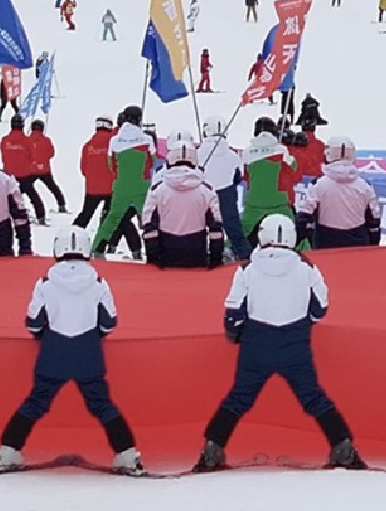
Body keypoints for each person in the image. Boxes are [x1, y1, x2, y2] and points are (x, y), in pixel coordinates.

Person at [197, 215, 363, 471]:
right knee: (314, 398)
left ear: (262, 236)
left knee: (238, 399)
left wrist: (235, 334)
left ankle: (212, 449)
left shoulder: (247, 269)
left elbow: (233, 310)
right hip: (295, 343)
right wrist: (308, 321)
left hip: (256, 343)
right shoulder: (306, 267)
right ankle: (343, 447)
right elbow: (321, 306)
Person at [0, 232, 145, 474]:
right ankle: (126, 454)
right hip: (88, 353)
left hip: (54, 351)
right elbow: (109, 322)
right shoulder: (98, 283)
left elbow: (33, 322)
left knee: (36, 403)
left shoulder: (45, 283)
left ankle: (8, 451)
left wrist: (44, 336)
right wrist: (95, 335)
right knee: (102, 405)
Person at [142, 140, 225, 267]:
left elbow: (149, 226)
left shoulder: (157, 190)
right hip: (197, 255)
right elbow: (216, 228)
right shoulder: (207, 191)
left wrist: (153, 259)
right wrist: (216, 260)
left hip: (165, 257)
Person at [89, 107, 155, 258]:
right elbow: (152, 162)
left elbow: (111, 165)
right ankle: (154, 252)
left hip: (121, 186)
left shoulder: (114, 140)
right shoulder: (147, 139)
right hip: (141, 187)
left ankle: (98, 249)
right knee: (149, 220)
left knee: (112, 218)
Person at [297, 138, 382, 248]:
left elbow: (304, 215)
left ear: (328, 154)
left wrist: (301, 238)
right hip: (358, 240)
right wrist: (374, 242)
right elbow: (374, 218)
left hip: (325, 240)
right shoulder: (364, 185)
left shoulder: (318, 184)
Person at [198, 122, 248, 261]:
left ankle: (200, 253)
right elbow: (239, 177)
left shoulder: (198, 152)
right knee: (232, 226)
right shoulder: (233, 154)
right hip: (226, 193)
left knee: (200, 225)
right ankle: (243, 255)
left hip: (205, 192)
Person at [74, 117, 117, 232]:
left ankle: (73, 235)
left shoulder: (88, 145)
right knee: (109, 217)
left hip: (92, 188)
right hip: (111, 187)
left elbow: (84, 169)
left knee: (85, 215)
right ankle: (105, 241)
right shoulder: (115, 144)